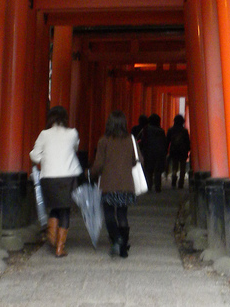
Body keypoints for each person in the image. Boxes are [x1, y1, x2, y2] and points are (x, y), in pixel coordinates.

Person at [29, 106, 82, 258]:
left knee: (54, 207)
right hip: (68, 176)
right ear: (65, 118)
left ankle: (52, 237)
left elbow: (34, 155)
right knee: (65, 210)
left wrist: (44, 159)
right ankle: (60, 248)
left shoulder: (44, 134)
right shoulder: (72, 133)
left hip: (49, 177)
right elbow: (75, 148)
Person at [90, 110, 139, 258]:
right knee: (122, 214)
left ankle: (116, 238)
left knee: (109, 214)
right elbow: (137, 160)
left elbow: (98, 165)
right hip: (126, 184)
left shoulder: (104, 141)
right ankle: (123, 248)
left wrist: (91, 175)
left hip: (108, 184)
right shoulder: (131, 139)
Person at [141, 112, 168, 192]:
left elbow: (143, 140)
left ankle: (149, 185)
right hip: (159, 152)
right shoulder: (161, 131)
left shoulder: (146, 129)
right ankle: (157, 186)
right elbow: (164, 142)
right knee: (157, 170)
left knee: (149, 170)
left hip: (149, 151)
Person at [165, 114, 191, 189]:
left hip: (174, 150)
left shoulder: (171, 130)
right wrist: (188, 149)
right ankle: (181, 183)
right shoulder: (184, 131)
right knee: (182, 167)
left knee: (174, 166)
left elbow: (167, 141)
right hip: (183, 150)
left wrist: (166, 150)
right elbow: (187, 142)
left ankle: (174, 180)